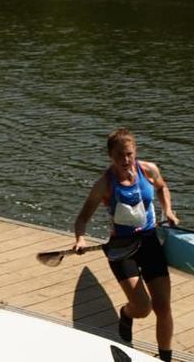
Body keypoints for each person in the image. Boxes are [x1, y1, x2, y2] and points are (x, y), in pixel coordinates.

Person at [71, 128, 179, 361]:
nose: (126, 160)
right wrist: (80, 238)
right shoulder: (104, 184)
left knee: (163, 307)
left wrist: (167, 210)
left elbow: (162, 188)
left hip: (149, 242)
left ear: (135, 152)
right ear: (111, 156)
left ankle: (165, 358)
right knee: (143, 307)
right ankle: (127, 312)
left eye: (129, 154)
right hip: (121, 248)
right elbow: (82, 218)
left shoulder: (149, 170)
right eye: (120, 155)